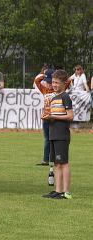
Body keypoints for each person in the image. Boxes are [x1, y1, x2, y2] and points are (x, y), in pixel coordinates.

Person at [42, 70, 74, 199]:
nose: (54, 85)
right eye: (53, 82)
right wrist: (47, 117)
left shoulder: (65, 97)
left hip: (62, 135)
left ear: (64, 83)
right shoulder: (53, 98)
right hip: (53, 134)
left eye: (57, 82)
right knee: (56, 163)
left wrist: (53, 116)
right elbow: (54, 115)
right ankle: (58, 190)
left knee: (64, 163)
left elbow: (70, 116)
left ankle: (66, 192)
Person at [33, 69, 55, 167]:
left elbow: (67, 81)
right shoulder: (44, 89)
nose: (49, 84)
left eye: (51, 82)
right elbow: (36, 80)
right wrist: (44, 74)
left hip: (55, 118)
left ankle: (56, 159)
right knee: (47, 139)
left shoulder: (59, 90)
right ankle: (46, 160)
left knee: (55, 139)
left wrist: (57, 76)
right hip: (46, 118)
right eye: (48, 82)